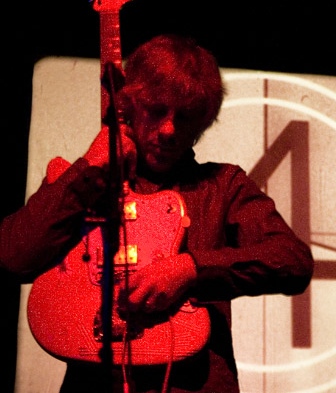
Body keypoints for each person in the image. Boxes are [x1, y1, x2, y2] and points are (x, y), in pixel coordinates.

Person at [0, 35, 314, 392]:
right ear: (129, 103)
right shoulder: (83, 181)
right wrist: (89, 168)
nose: (169, 130)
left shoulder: (223, 185)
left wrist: (191, 269)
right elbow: (13, 257)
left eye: (186, 117)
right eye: (156, 109)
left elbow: (293, 261)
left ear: (203, 123)